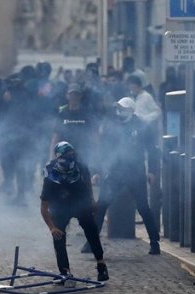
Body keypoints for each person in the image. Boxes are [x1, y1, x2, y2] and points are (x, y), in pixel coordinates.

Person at [92, 97, 161, 255]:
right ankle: (92, 242)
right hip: (115, 172)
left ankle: (154, 242)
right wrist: (97, 171)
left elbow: (153, 150)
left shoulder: (142, 126)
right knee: (101, 205)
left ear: (130, 110)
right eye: (117, 108)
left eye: (122, 108)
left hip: (135, 173)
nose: (119, 111)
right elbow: (102, 150)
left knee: (143, 207)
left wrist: (152, 171)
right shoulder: (112, 126)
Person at [40, 142, 108, 282]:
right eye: (67, 156)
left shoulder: (80, 166)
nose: (70, 159)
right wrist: (52, 228)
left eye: (72, 156)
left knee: (91, 231)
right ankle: (65, 271)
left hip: (80, 203)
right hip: (60, 206)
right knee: (58, 236)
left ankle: (101, 265)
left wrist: (92, 200)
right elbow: (44, 207)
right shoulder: (50, 176)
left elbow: (88, 181)